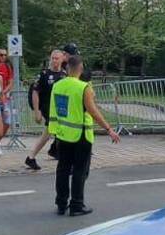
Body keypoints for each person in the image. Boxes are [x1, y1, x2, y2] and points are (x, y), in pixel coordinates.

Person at [49, 53, 120, 216]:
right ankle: (76, 205)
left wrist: (55, 129)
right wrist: (109, 129)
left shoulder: (58, 85)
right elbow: (93, 112)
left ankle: (61, 203)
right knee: (80, 170)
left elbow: (55, 110)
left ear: (66, 68)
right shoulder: (83, 87)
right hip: (81, 135)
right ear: (80, 68)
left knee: (62, 169)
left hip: (62, 133)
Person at [25, 50, 67, 171]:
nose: (54, 61)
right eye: (53, 58)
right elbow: (35, 92)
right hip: (47, 107)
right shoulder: (44, 74)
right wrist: (37, 111)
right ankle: (57, 154)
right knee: (52, 131)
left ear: (62, 60)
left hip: (58, 108)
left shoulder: (64, 75)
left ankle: (32, 157)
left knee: (49, 133)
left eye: (57, 58)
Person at [0, 48, 14, 139]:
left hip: (4, 99)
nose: (3, 57)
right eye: (1, 55)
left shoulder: (7, 67)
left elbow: (11, 82)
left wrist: (4, 92)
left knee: (7, 122)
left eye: (5, 55)